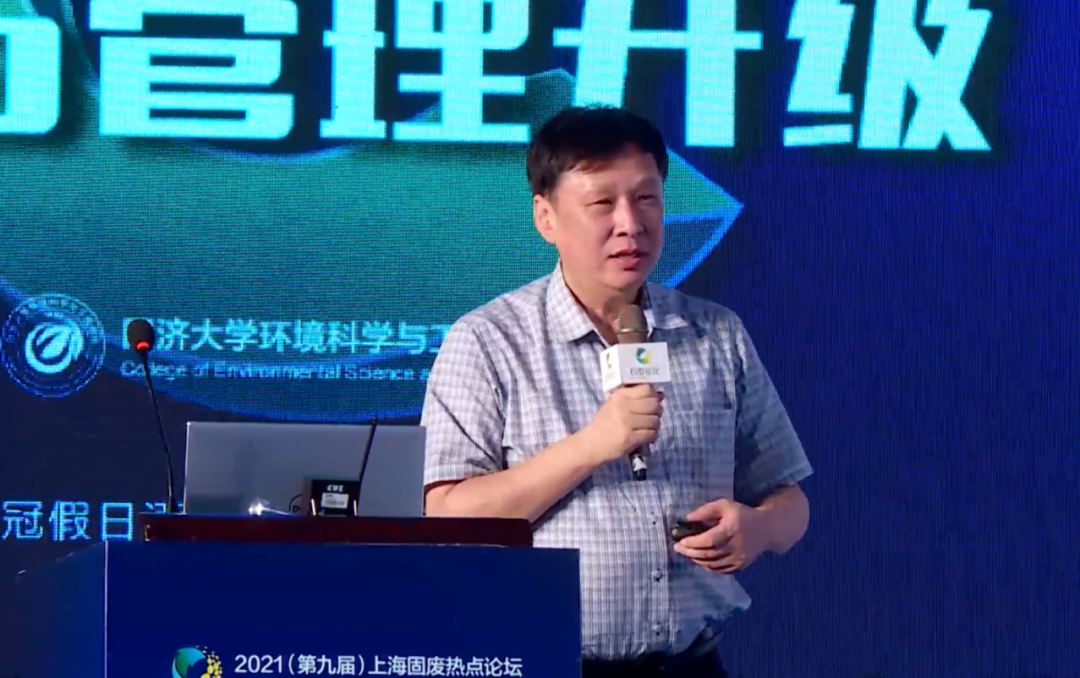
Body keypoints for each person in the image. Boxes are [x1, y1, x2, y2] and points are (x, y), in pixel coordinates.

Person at [420, 105, 813, 678]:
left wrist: (758, 529)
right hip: (541, 664)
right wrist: (592, 445)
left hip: (690, 666)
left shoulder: (715, 334)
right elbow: (448, 518)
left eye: (647, 198)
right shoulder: (487, 342)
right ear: (546, 217)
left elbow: (790, 500)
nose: (630, 223)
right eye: (602, 203)